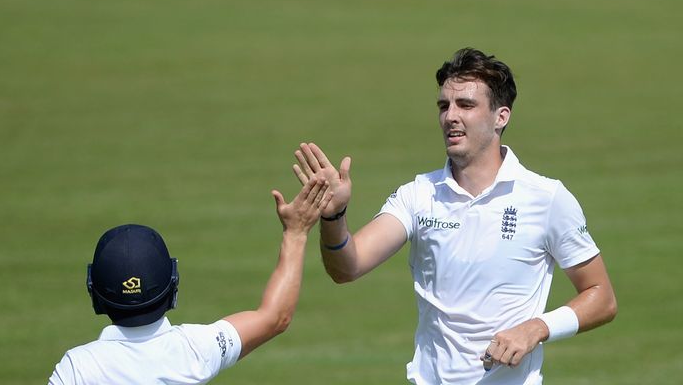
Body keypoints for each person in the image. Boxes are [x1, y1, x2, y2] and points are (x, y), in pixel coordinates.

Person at [292, 48, 617, 384]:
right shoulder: (418, 195)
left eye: (466, 105)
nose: (450, 116)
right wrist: (334, 217)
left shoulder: (546, 198)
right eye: (444, 106)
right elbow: (347, 267)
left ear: (500, 116)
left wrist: (536, 328)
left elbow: (601, 297)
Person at [48, 178, 332, 384]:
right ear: (173, 286)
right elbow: (275, 317)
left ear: (94, 293)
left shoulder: (77, 369)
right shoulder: (196, 349)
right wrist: (296, 232)